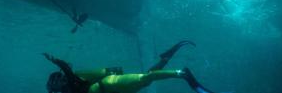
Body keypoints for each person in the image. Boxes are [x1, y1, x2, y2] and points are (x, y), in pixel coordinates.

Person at [44, 41, 215, 93]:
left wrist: (55, 60)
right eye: (54, 85)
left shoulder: (71, 79)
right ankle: (165, 58)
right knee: (147, 77)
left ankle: (182, 73)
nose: (57, 84)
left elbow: (66, 68)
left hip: (111, 84)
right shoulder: (68, 90)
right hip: (114, 90)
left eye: (55, 81)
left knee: (145, 78)